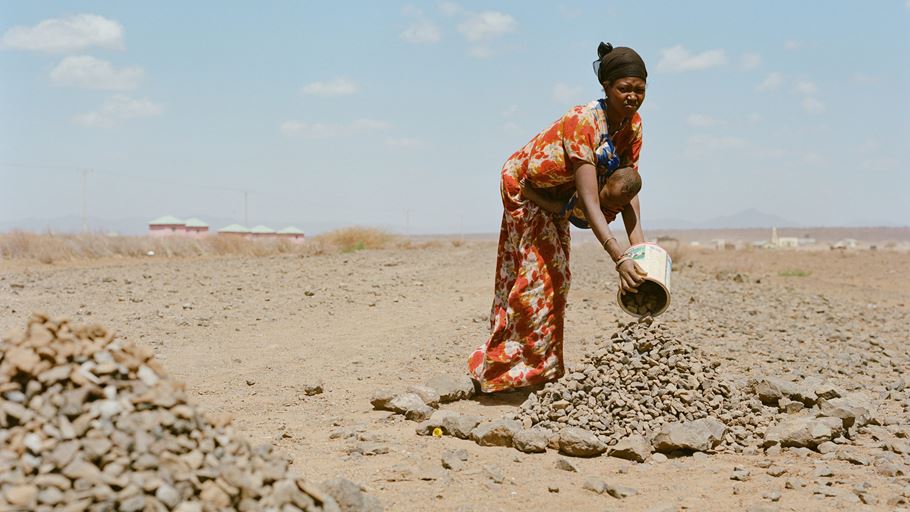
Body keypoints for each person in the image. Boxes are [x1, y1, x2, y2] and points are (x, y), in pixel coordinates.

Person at [468, 42, 650, 393]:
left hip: (557, 197)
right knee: (537, 277)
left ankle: (541, 369)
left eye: (639, 90)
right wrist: (617, 256)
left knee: (558, 277)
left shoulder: (633, 126)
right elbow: (589, 197)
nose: (632, 97)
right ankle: (500, 368)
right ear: (606, 87)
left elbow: (627, 187)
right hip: (524, 187)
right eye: (624, 89)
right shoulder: (583, 122)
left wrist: (639, 251)